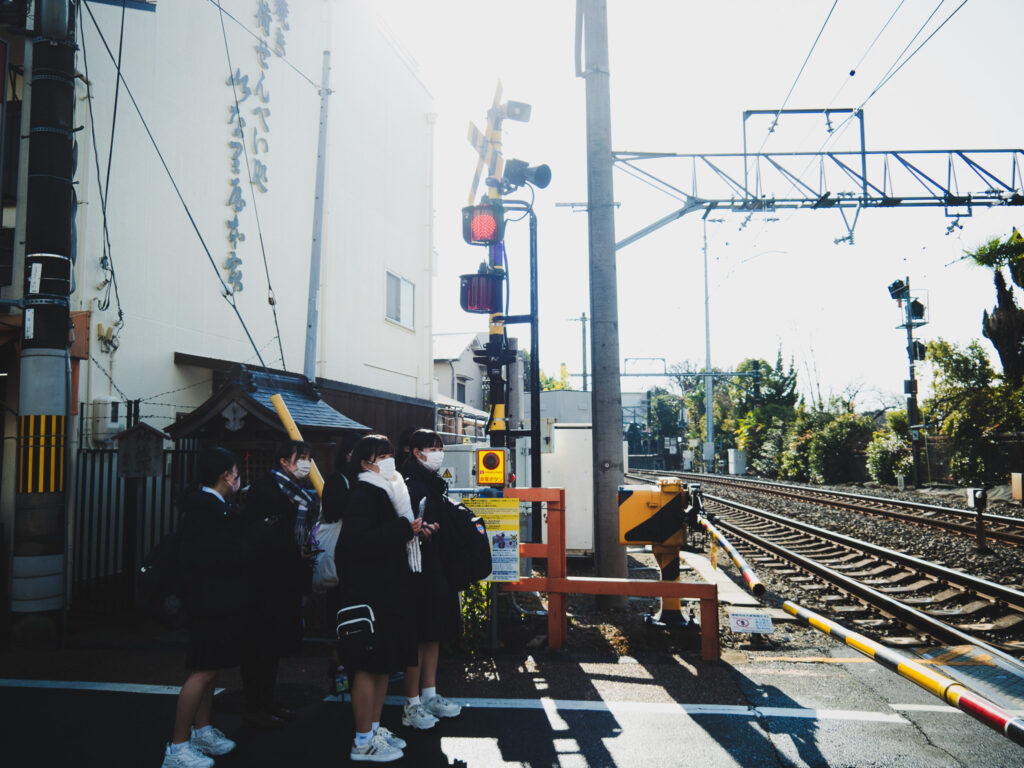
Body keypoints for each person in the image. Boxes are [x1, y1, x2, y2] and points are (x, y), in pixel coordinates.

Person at [338, 434, 425, 762]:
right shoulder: (365, 493)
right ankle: (362, 740)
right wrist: (404, 529)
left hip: (384, 589)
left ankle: (373, 730)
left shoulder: (386, 490)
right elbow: (357, 543)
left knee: (381, 664)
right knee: (367, 666)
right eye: (381, 455)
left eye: (390, 454)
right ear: (365, 463)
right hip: (370, 592)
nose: (389, 460)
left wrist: (410, 528)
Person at [162, 447, 247, 768]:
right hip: (208, 600)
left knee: (210, 668)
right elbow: (220, 556)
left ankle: (202, 730)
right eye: (236, 471)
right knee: (203, 670)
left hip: (212, 599)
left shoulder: (209, 505)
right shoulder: (207, 510)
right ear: (227, 475)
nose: (239, 477)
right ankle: (178, 746)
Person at [240, 440, 317, 729]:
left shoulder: (301, 494)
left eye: (309, 458)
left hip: (285, 580)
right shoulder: (266, 489)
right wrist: (293, 550)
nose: (306, 463)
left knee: (272, 648)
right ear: (284, 462)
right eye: (301, 458)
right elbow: (260, 536)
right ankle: (254, 706)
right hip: (263, 582)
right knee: (259, 647)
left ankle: (267, 702)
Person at [400, 429, 463, 725]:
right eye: (431, 447)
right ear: (416, 452)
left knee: (432, 634)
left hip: (436, 566)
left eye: (439, 447)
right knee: (417, 635)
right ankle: (411, 703)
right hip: (417, 570)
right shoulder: (410, 484)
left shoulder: (432, 483)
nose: (438, 452)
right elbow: (405, 527)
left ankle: (429, 694)